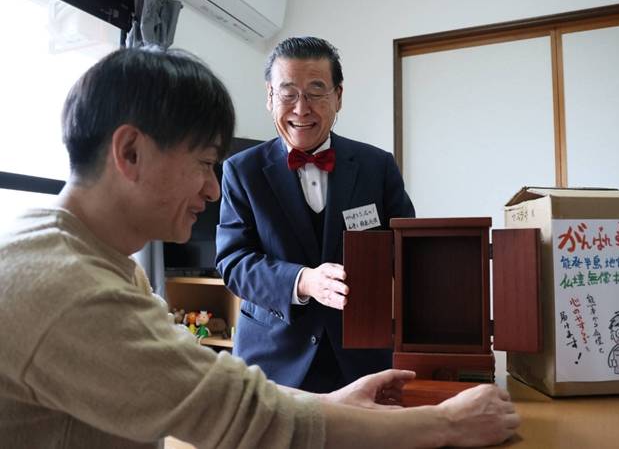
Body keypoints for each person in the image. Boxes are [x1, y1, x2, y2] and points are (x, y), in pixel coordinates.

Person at [0, 46, 519, 449]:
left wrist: (335, 403)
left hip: (351, 353)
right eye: (205, 163)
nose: (212, 188)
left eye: (317, 90)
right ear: (131, 151)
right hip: (279, 347)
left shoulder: (100, 262)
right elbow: (233, 409)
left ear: (339, 95)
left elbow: (200, 380)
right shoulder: (65, 287)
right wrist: (445, 423)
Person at [216, 36, 415, 393]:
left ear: (338, 96)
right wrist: (304, 281)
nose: (301, 108)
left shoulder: (377, 166)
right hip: (273, 359)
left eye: (316, 91)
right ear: (269, 97)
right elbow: (234, 262)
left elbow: (408, 249)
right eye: (288, 92)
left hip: (362, 358)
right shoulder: (241, 171)